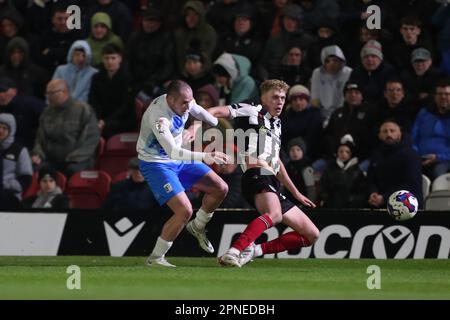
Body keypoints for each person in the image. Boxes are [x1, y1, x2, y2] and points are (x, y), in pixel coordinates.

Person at [207, 79, 319, 267]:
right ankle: (234, 251)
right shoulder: (251, 108)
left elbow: (277, 162)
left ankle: (255, 250)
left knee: (311, 234)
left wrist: (296, 192)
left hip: (271, 179)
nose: (280, 101)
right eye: (275, 97)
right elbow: (216, 112)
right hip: (255, 174)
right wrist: (196, 126)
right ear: (263, 98)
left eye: (283, 98)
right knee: (273, 214)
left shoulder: (276, 123)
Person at [137, 80, 229, 267]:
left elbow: (198, 111)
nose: (188, 106)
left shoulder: (183, 100)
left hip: (180, 159)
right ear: (170, 99)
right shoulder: (160, 118)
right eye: (184, 103)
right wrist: (207, 155)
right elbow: (172, 152)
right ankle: (155, 259)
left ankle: (198, 226)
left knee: (220, 188)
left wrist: (212, 122)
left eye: (190, 101)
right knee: (184, 210)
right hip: (157, 163)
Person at [32, 79, 100, 178]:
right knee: (36, 167)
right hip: (51, 159)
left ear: (65, 92)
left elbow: (91, 140)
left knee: (72, 169)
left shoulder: (83, 110)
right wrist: (38, 154)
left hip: (78, 159)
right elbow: (40, 139)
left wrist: (72, 158)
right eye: (47, 93)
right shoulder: (46, 112)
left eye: (52, 93)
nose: (49, 97)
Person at [367, 120, 423, 209]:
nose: (389, 134)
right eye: (385, 131)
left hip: (407, 203)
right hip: (380, 201)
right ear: (380, 136)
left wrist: (385, 198)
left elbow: (411, 185)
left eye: (392, 131)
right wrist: (373, 193)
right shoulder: (376, 155)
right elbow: (371, 179)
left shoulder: (411, 155)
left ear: (399, 134)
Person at [412, 79, 450, 181]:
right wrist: (415, 154)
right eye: (440, 94)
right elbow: (414, 136)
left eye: (447, 94)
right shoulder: (424, 112)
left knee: (438, 175)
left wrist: (438, 157)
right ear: (435, 96)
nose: (443, 97)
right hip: (420, 157)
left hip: (444, 160)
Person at [0, 113, 32, 210]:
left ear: (11, 131)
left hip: (9, 194)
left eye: (5, 128)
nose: (0, 131)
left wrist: (5, 184)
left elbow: (26, 179)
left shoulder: (19, 150)